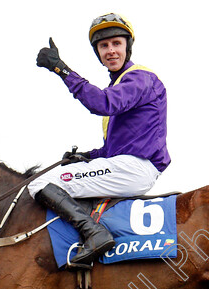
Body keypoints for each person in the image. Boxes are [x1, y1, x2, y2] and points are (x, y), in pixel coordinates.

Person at [33, 12, 170, 269]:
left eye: (116, 44)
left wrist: (61, 69)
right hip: (127, 165)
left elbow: (102, 103)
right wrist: (87, 156)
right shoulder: (123, 84)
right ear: (98, 52)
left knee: (39, 183)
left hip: (135, 168)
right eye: (103, 46)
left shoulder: (140, 78)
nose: (110, 51)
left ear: (127, 47)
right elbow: (111, 149)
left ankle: (95, 234)